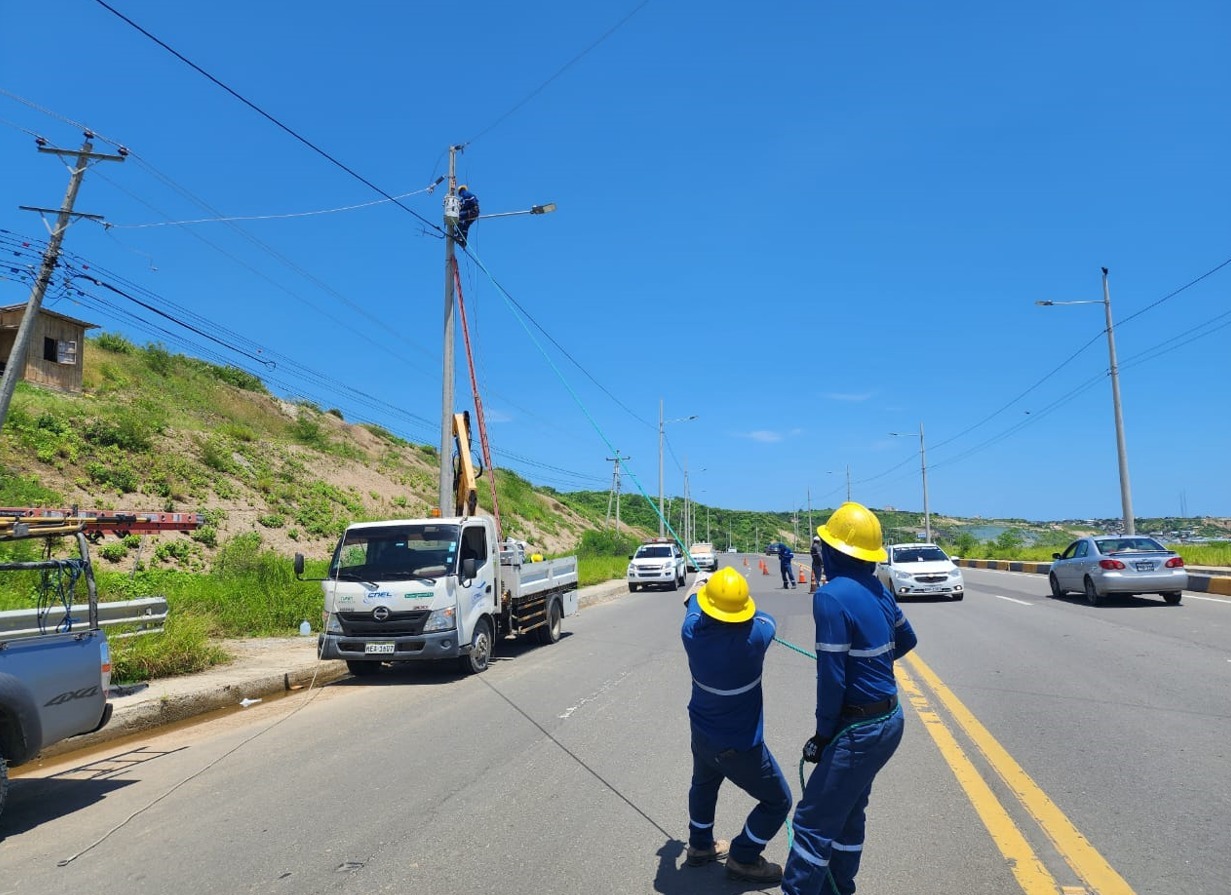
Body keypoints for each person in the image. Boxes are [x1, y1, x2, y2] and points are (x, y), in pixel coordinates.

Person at [780, 501, 917, 895]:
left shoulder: (830, 597)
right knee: (851, 810)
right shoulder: (879, 589)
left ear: (835, 551)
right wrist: (873, 664)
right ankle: (839, 887)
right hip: (889, 721)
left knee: (811, 822)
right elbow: (907, 640)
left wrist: (823, 736)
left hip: (857, 730)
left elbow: (832, 680)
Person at [681, 567, 792, 884]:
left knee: (703, 785)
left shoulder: (691, 633)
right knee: (778, 800)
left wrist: (701, 585)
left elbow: (692, 604)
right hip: (740, 746)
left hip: (702, 734)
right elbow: (766, 617)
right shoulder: (757, 636)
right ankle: (743, 857)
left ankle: (700, 846)